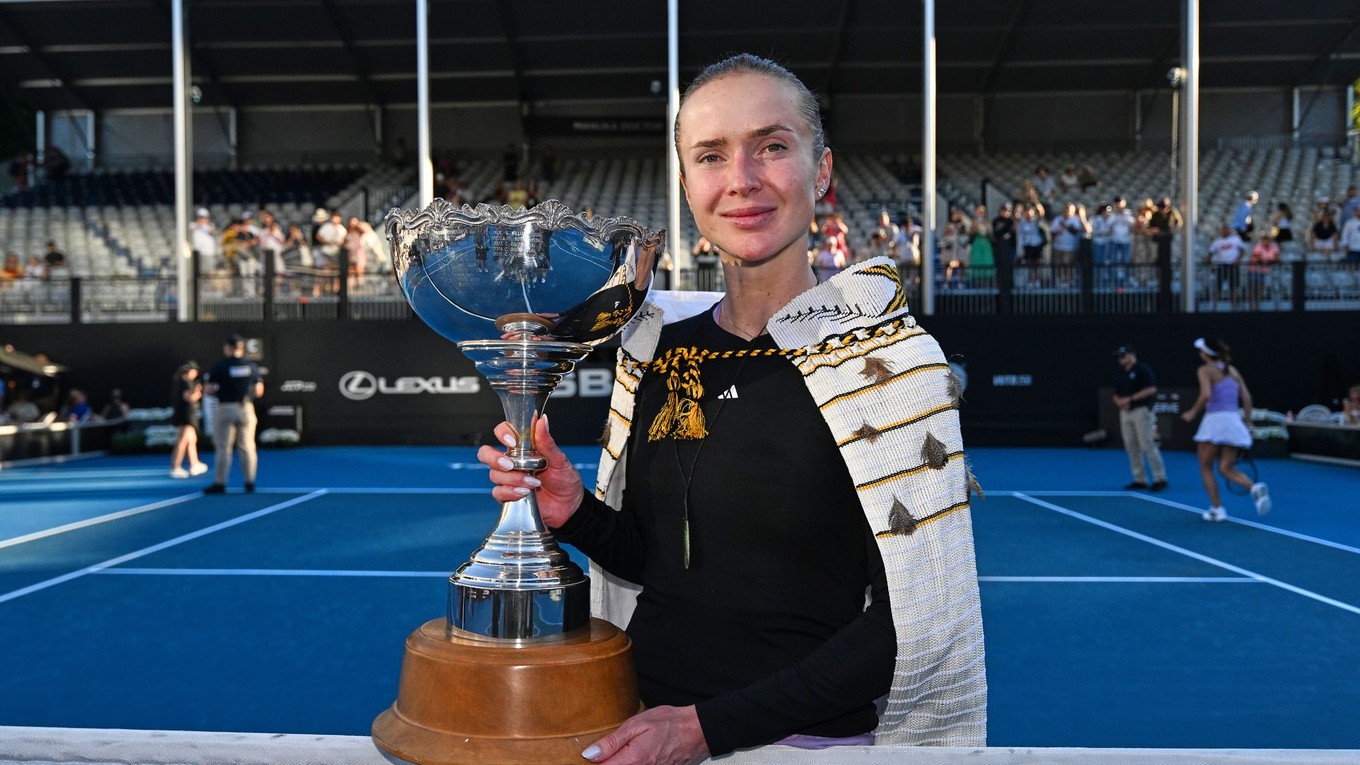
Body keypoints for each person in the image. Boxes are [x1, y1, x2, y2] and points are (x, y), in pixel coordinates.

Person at [477, 53, 985, 764]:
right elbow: (662, 563)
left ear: (823, 171)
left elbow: (911, 624)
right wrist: (576, 512)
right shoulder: (657, 349)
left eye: (772, 146)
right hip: (636, 728)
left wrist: (706, 727)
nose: (742, 179)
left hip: (804, 747)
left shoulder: (893, 364)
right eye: (711, 156)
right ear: (687, 186)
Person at [1180, 337, 1270, 521]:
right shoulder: (1233, 370)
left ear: (1206, 354)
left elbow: (1206, 395)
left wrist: (1192, 412)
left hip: (1215, 422)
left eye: (1201, 350)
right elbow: (1246, 397)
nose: (1199, 353)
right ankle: (1253, 488)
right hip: (1233, 422)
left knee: (1205, 466)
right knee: (1225, 467)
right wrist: (1248, 422)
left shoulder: (1204, 370)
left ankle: (1217, 509)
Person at [203, 334, 264, 494]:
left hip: (225, 408)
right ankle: (250, 482)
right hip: (246, 408)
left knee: (223, 447)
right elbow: (259, 391)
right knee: (248, 447)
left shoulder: (220, 366)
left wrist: (220, 390)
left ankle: (220, 483)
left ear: (228, 348)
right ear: (242, 348)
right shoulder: (251, 366)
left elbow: (208, 390)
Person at [1110, 345, 1168, 491]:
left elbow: (1151, 389)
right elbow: (1116, 392)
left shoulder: (1142, 369)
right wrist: (1118, 401)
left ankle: (1160, 478)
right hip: (1125, 412)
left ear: (1132, 355)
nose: (1120, 359)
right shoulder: (1122, 373)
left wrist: (1130, 399)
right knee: (1131, 446)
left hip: (1141, 410)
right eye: (1119, 357)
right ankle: (1139, 478)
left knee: (1147, 444)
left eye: (1123, 356)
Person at [169, 362, 209, 479]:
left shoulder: (181, 382)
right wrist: (198, 392)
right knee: (183, 440)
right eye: (194, 371)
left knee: (191, 440)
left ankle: (194, 464)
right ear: (189, 371)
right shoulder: (185, 382)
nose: (196, 373)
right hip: (186, 415)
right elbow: (189, 398)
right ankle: (175, 467)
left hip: (186, 415)